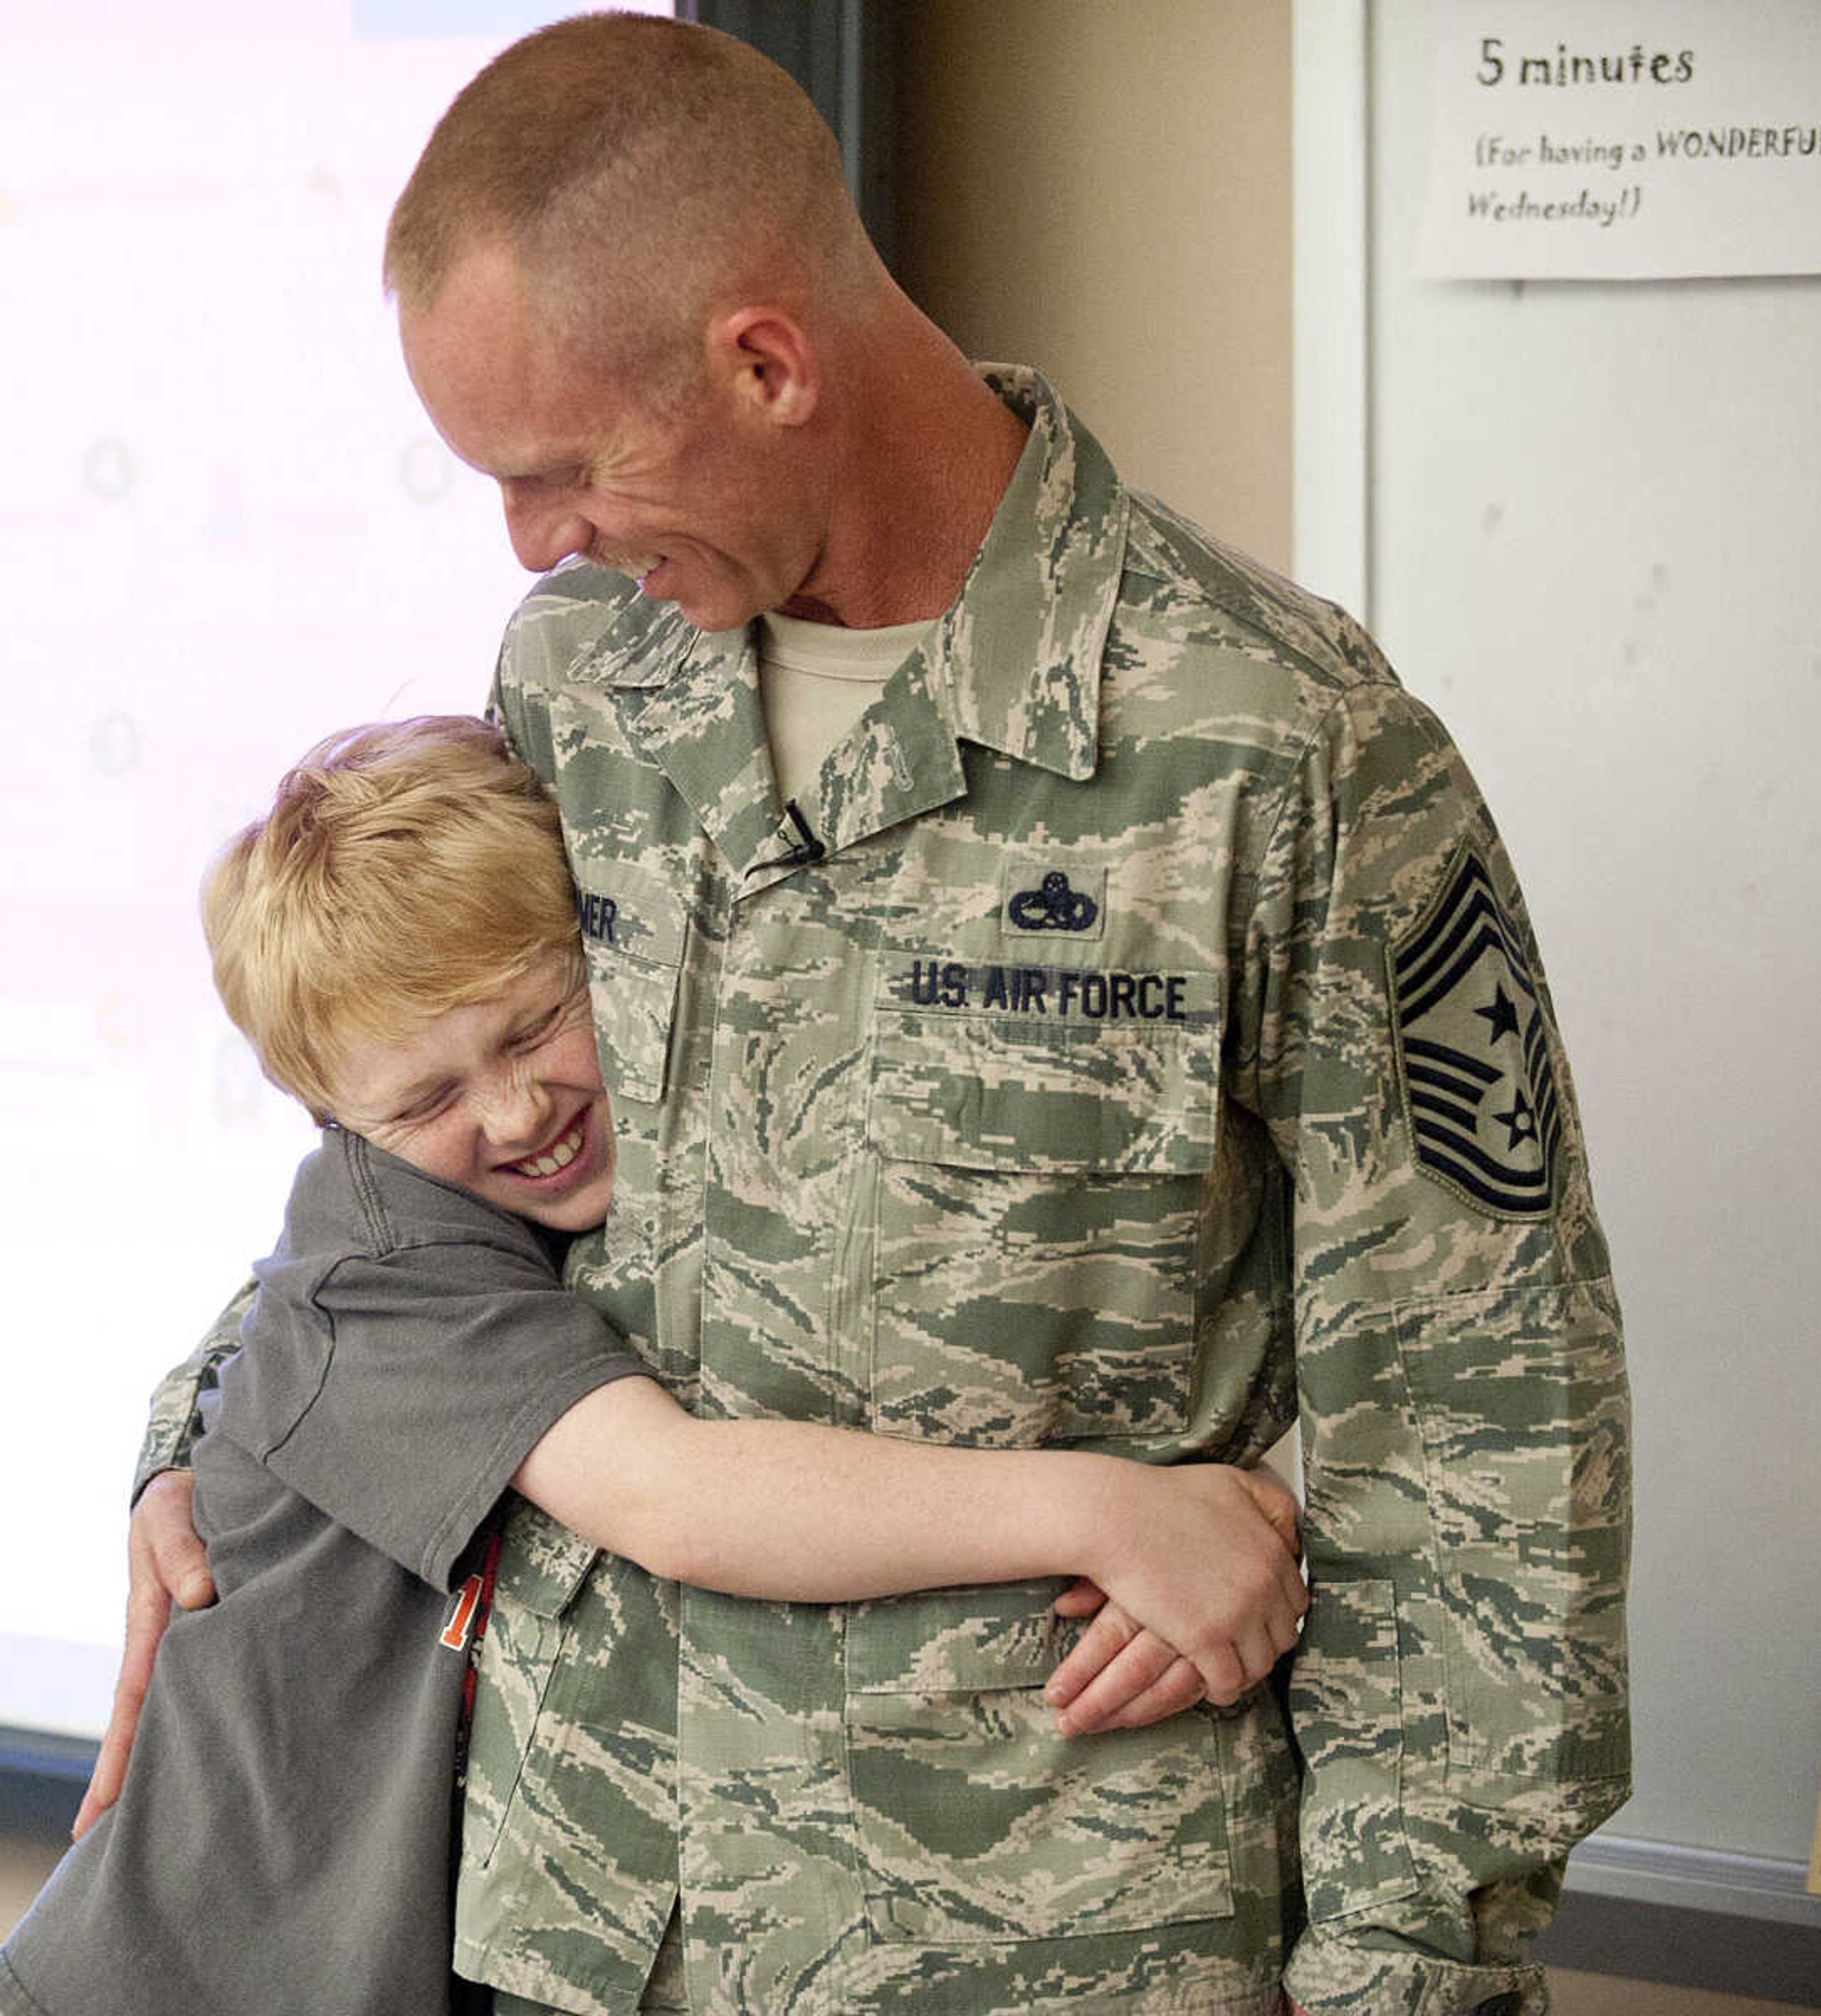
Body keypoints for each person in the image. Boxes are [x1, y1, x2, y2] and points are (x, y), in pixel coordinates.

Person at [110, 14, 1631, 2015]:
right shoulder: (590, 677)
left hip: (1045, 1934)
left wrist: (1405, 1977)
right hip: (590, 1910)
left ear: (764, 359)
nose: (534, 537)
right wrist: (211, 1418)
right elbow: (423, 1113)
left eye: (564, 464)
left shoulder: (1277, 746)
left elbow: (1487, 1430)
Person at [9, 715, 1303, 2016]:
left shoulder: (544, 1208)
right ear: (331, 1124)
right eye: (425, 1101)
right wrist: (1119, 1510)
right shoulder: (381, 1270)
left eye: (537, 1025)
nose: (517, 1113)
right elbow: (678, 1499)